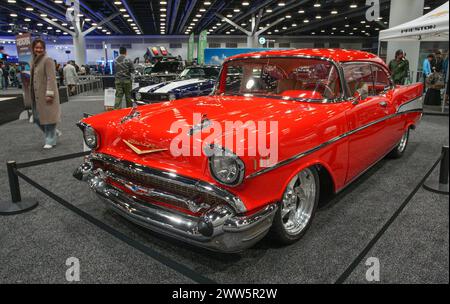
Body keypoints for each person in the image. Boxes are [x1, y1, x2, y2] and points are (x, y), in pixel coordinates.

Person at [28, 39, 61, 149]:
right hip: (36, 95)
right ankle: (54, 132)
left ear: (44, 48)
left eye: (41, 47)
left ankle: (50, 140)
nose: (39, 49)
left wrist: (50, 94)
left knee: (49, 119)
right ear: (33, 48)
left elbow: (51, 78)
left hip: (46, 94)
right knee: (37, 118)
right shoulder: (33, 60)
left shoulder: (48, 60)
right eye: (37, 47)